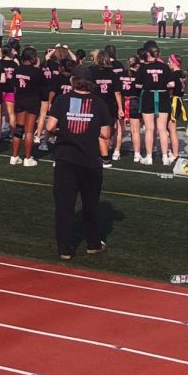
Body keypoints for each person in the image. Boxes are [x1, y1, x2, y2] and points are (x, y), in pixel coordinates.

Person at [45, 66, 112, 261]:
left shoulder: (62, 100)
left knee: (64, 206)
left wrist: (65, 132)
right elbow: (106, 134)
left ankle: (65, 249)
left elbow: (50, 126)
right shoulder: (98, 103)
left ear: (73, 81)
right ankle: (93, 244)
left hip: (65, 158)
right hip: (90, 160)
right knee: (91, 204)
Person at [135, 42, 177, 165]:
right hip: (163, 96)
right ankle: (165, 157)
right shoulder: (164, 67)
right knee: (162, 129)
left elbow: (137, 85)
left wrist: (147, 85)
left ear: (148, 54)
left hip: (148, 96)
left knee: (149, 129)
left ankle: (149, 157)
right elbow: (172, 84)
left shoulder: (143, 67)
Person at [10, 48, 45, 167]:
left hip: (20, 99)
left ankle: (14, 157)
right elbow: (42, 88)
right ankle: (28, 158)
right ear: (32, 58)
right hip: (32, 101)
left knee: (19, 129)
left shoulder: (17, 69)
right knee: (29, 131)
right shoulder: (37, 71)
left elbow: (14, 87)